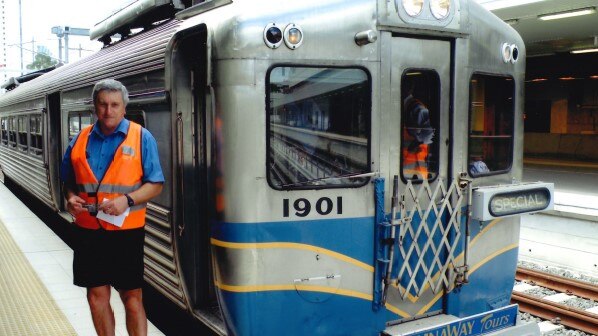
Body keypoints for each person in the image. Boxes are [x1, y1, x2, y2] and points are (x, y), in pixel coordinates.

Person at [60, 79, 164, 336]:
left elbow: (156, 184)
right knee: (96, 296)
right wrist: (70, 197)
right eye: (103, 104)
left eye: (115, 105)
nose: (109, 111)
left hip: (126, 232)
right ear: (94, 106)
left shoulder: (142, 137)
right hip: (88, 231)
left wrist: (127, 200)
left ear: (124, 107)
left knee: (132, 297)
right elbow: (69, 182)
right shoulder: (79, 140)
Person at [402, 89, 434, 180]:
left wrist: (417, 143)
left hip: (416, 171)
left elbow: (429, 133)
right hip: (406, 169)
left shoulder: (417, 108)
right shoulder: (405, 106)